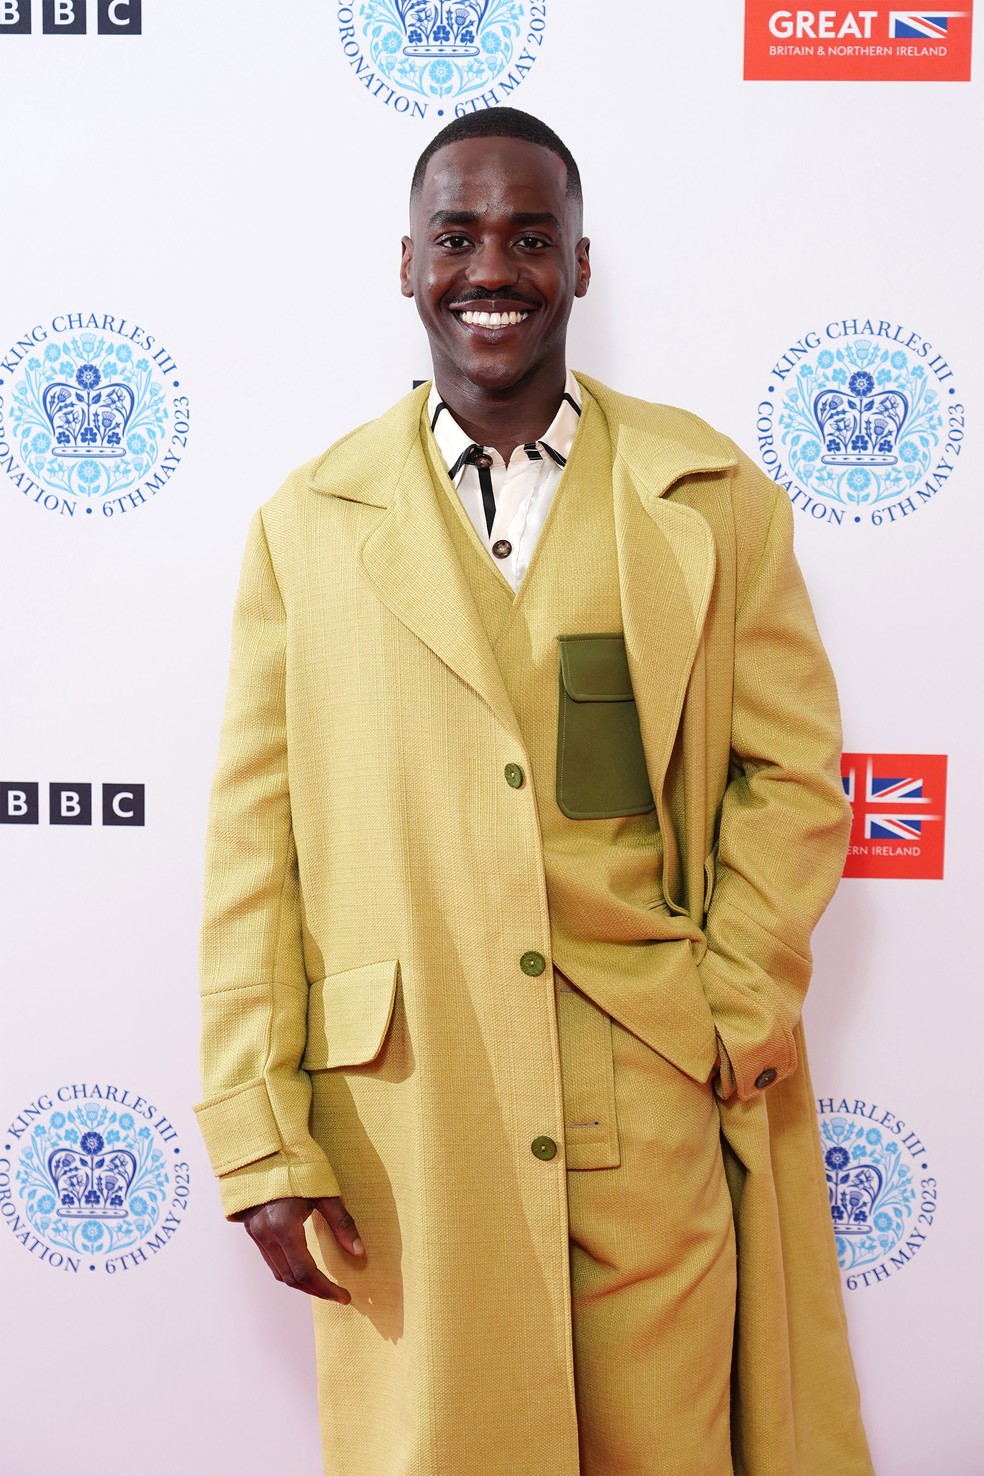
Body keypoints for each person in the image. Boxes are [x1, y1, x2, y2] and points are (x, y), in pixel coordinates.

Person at [195, 108, 873, 1476]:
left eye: (528, 236)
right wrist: (263, 1139)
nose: (489, 267)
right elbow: (255, 851)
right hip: (409, 1118)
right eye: (457, 237)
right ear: (407, 265)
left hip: (653, 1100)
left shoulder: (712, 498)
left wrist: (727, 1015)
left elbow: (792, 777)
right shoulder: (306, 527)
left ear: (579, 265)